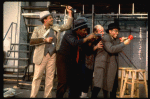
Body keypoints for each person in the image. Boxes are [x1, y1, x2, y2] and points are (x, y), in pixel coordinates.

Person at [30, 6, 73, 98]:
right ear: (45, 20)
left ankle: (48, 96)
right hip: (41, 56)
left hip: (52, 55)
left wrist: (70, 13)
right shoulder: (37, 29)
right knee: (37, 78)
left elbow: (67, 26)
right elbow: (32, 41)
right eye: (50, 18)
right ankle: (33, 96)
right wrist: (44, 40)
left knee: (50, 78)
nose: (52, 19)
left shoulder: (56, 27)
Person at [56, 17, 96, 98]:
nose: (85, 32)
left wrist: (90, 43)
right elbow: (74, 43)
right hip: (63, 60)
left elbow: (87, 52)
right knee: (63, 82)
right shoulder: (69, 34)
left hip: (73, 62)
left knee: (76, 82)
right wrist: (87, 38)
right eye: (84, 30)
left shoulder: (82, 37)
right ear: (78, 29)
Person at [91, 23, 131, 98]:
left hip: (110, 66)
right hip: (102, 65)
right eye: (115, 31)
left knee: (112, 85)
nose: (117, 33)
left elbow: (116, 47)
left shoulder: (113, 38)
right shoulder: (106, 37)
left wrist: (121, 41)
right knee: (98, 85)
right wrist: (123, 44)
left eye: (118, 31)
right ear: (110, 31)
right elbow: (111, 49)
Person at [80, 25, 104, 98]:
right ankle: (84, 94)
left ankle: (86, 93)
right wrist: (96, 47)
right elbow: (87, 51)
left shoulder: (99, 38)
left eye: (103, 31)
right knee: (87, 78)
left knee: (91, 78)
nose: (103, 32)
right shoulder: (90, 38)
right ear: (95, 31)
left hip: (95, 61)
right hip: (88, 61)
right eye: (101, 31)